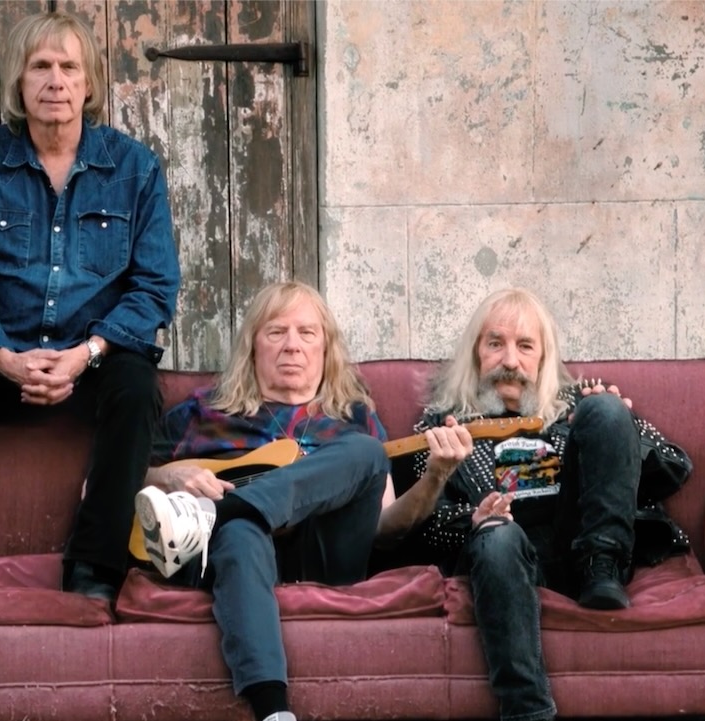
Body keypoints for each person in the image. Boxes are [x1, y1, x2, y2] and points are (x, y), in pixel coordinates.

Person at [0, 10, 180, 602]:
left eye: (69, 67)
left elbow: (154, 287)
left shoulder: (135, 169)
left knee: (137, 389)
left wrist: (85, 354)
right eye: (41, 67)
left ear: (88, 82)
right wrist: (2, 356)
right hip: (3, 356)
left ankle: (94, 570)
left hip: (93, 360)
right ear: (19, 84)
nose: (56, 81)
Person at [134, 281, 468, 721]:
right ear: (253, 345)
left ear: (325, 348)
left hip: (327, 559)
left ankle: (212, 514)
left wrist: (436, 475)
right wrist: (167, 476)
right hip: (241, 561)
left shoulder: (355, 417)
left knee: (366, 451)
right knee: (240, 531)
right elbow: (102, 488)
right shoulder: (202, 413)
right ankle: (274, 712)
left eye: (307, 333)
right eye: (276, 332)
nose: (292, 345)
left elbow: (385, 529)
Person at [406, 287, 691, 721]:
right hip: (506, 557)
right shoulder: (441, 425)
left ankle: (602, 570)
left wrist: (620, 427)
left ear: (542, 358)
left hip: (581, 544)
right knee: (497, 537)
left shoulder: (577, 405)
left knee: (607, 410)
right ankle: (528, 713)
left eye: (525, 346)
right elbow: (424, 530)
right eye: (495, 343)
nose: (510, 360)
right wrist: (472, 518)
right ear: (476, 353)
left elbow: (673, 469)